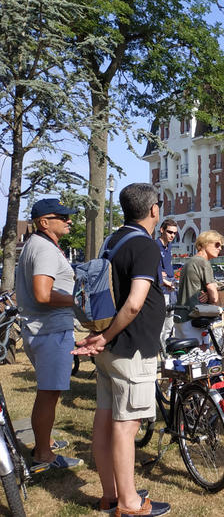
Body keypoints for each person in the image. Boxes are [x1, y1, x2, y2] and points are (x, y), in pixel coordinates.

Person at [73, 183, 169, 516]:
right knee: (126, 426)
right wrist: (105, 336)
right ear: (153, 209)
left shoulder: (111, 241)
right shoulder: (145, 246)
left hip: (110, 349)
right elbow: (133, 304)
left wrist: (102, 338)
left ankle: (111, 495)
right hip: (132, 349)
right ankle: (129, 504)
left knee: (105, 419)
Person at [15, 198, 83, 473]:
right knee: (49, 394)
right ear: (44, 222)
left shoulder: (39, 245)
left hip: (41, 330)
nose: (69, 220)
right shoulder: (43, 249)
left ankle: (46, 440)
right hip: (49, 332)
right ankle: (43, 454)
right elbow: (43, 294)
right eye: (63, 217)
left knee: (47, 392)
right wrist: (77, 300)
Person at [173, 230, 224, 345]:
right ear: (205, 243)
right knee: (199, 357)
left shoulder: (189, 262)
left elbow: (194, 286)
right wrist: (212, 299)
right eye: (217, 244)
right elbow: (214, 296)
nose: (220, 248)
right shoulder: (203, 262)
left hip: (180, 316)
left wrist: (207, 292)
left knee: (183, 357)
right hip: (194, 318)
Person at [157, 219, 178, 350]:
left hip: (171, 288)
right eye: (170, 232)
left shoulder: (168, 247)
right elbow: (155, 267)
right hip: (162, 290)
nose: (172, 235)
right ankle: (159, 349)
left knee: (170, 322)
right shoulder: (155, 246)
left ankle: (165, 349)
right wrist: (162, 278)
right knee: (161, 322)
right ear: (162, 230)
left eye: (175, 233)